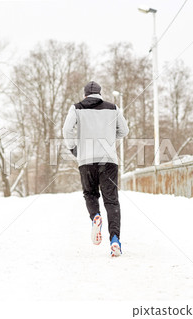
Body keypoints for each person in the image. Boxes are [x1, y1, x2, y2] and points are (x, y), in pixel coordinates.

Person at [62, 81, 129, 257]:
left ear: (85, 95)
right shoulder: (113, 108)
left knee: (90, 194)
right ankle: (115, 240)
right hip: (108, 160)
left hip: (86, 160)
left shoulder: (76, 108)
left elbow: (67, 129)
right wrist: (108, 138)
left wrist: (73, 148)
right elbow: (124, 130)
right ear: (100, 93)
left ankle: (95, 217)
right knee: (112, 201)